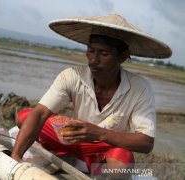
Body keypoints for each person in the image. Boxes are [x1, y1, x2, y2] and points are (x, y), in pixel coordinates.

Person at [11, 14, 172, 177]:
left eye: (104, 53)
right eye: (91, 51)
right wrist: (15, 157)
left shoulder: (140, 89)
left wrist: (97, 133)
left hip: (102, 149)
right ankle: (63, 155)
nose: (94, 59)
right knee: (25, 116)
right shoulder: (72, 75)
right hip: (71, 137)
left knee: (121, 163)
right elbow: (39, 114)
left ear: (122, 57)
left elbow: (146, 142)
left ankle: (94, 169)